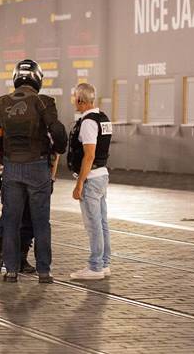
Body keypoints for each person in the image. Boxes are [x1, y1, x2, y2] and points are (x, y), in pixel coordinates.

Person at [0, 59, 66, 284]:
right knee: (41, 222)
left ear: (16, 78)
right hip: (38, 167)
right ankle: (44, 272)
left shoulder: (0, 103)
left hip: (12, 168)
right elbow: (57, 131)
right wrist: (58, 149)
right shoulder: (44, 102)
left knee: (11, 221)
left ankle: (10, 270)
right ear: (38, 78)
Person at [68, 83, 112, 281]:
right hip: (102, 175)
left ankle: (95, 267)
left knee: (93, 224)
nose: (72, 100)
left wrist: (80, 184)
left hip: (92, 179)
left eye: (73, 97)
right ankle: (104, 263)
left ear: (80, 100)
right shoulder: (103, 118)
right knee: (102, 223)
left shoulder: (87, 122)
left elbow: (89, 155)